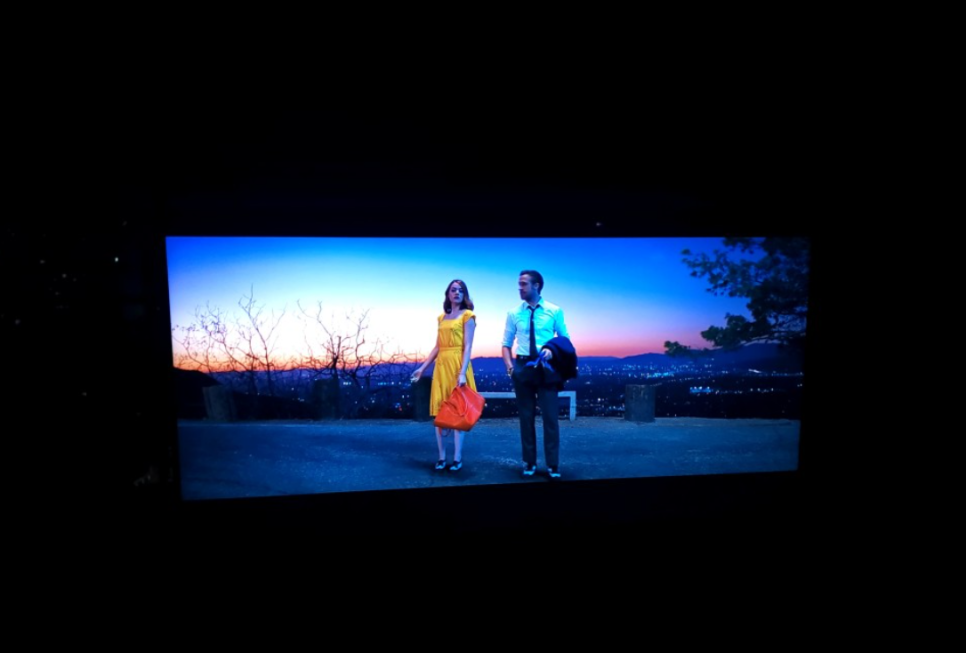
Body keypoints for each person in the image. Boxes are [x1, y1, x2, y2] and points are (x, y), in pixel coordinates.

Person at [502, 270, 571, 480]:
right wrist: (511, 368)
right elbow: (506, 344)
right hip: (523, 367)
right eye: (519, 284)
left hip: (546, 367)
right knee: (526, 417)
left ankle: (552, 464)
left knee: (550, 417)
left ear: (536, 285)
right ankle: (529, 462)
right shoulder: (513, 313)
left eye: (524, 284)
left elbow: (565, 339)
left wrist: (553, 350)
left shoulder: (554, 310)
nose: (519, 288)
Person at [411, 279, 477, 472]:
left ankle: (457, 458)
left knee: (458, 413)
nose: (457, 293)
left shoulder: (468, 316)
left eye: (461, 290)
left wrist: (462, 372)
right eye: (453, 290)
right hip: (441, 367)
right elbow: (437, 347)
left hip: (458, 364)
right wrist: (422, 368)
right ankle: (441, 457)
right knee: (441, 414)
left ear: (465, 294)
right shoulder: (441, 318)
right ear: (448, 294)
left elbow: (468, 347)